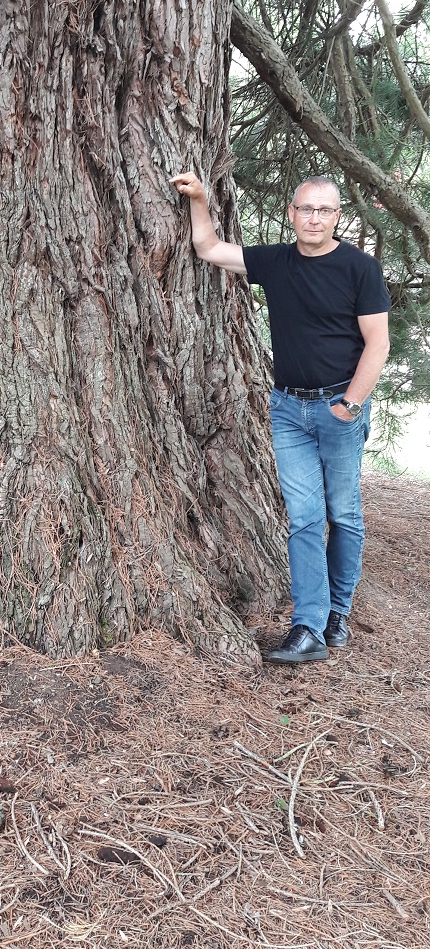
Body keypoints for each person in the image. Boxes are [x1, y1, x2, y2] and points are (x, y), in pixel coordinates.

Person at [170, 172, 391, 664]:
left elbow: (379, 343)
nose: (314, 218)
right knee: (305, 518)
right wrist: (202, 200)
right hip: (288, 409)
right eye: (305, 209)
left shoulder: (360, 268)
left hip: (342, 407)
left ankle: (338, 615)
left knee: (344, 515)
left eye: (325, 211)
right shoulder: (275, 260)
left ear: (338, 217)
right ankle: (308, 626)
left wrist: (351, 404)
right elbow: (208, 248)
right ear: (291, 213)